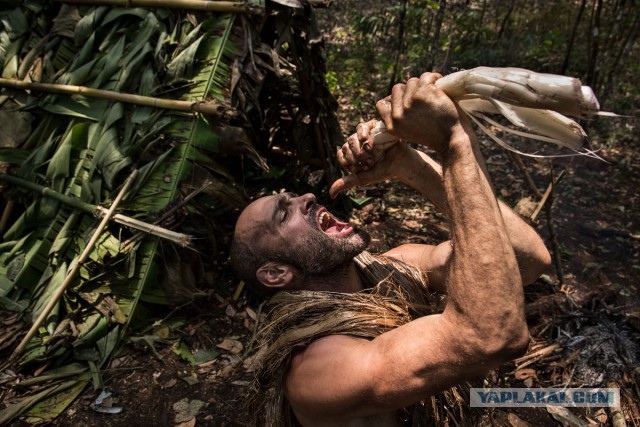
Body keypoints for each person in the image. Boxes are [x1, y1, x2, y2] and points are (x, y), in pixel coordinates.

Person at [230, 72, 551, 426]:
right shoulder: (315, 369)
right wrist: (454, 143)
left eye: (295, 196)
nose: (307, 197)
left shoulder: (397, 266)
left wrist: (410, 166)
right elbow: (491, 336)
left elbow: (529, 259)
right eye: (282, 214)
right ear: (276, 273)